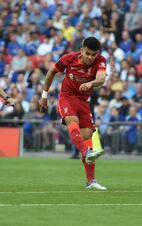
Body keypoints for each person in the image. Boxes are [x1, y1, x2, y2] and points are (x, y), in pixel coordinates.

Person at [39, 37, 107, 190]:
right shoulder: (69, 58)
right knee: (71, 120)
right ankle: (86, 151)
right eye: (88, 53)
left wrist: (91, 83)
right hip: (66, 97)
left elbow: (101, 79)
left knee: (87, 135)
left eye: (93, 54)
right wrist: (44, 96)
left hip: (83, 102)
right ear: (82, 50)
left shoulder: (101, 60)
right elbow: (51, 73)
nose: (90, 57)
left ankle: (91, 181)